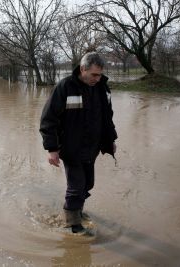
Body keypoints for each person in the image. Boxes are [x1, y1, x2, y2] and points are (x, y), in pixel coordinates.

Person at [39, 52, 117, 235]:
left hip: (93, 148)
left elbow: (108, 118)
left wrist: (110, 140)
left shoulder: (103, 88)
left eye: (100, 75)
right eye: (93, 75)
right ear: (83, 69)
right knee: (76, 186)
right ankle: (73, 226)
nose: (97, 79)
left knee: (88, 183)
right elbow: (48, 120)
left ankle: (77, 211)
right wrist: (52, 149)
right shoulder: (65, 87)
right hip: (71, 148)